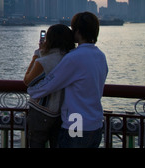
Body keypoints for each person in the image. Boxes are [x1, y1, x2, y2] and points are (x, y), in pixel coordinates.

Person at [27, 12, 108, 148]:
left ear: (77, 31)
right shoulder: (100, 55)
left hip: (76, 124)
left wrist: (31, 90)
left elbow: (48, 85)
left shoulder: (73, 58)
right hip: (96, 125)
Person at [24, 24, 75, 148]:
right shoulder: (71, 59)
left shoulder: (44, 61)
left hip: (40, 112)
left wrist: (37, 54)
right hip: (62, 114)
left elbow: (27, 80)